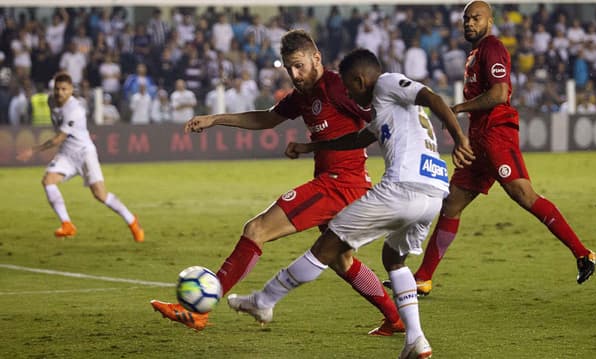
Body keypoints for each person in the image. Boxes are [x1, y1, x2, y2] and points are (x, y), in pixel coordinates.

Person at [150, 30, 403, 336]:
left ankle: (197, 310)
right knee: (342, 260)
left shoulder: (337, 86)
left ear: (316, 58)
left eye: (299, 66)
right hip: (343, 186)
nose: (295, 75)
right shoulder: (303, 96)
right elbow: (266, 119)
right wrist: (215, 119)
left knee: (256, 230)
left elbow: (378, 115)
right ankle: (395, 319)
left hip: (340, 185)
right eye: (288, 68)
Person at [228, 48, 473, 359]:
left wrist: (460, 139)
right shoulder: (388, 109)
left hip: (402, 188)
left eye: (349, 86)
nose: (348, 94)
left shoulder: (386, 83)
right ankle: (416, 339)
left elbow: (434, 98)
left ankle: (265, 300)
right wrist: (309, 146)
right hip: (433, 193)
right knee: (393, 259)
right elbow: (356, 139)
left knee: (327, 248)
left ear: (361, 79)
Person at [408, 0, 596, 297]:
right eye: (466, 19)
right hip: (479, 139)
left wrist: (458, 107)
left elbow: (499, 94)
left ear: (490, 22)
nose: (469, 23)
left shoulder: (493, 48)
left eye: (476, 18)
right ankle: (423, 278)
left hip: (497, 136)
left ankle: (583, 253)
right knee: (452, 205)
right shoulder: (475, 52)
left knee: (523, 194)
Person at [16, 72, 144, 243]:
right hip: (67, 154)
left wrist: (33, 150)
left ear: (71, 91)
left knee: (100, 195)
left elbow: (59, 138)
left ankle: (132, 222)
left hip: (84, 154)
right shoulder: (50, 101)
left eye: (64, 89)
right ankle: (67, 224)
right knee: (48, 181)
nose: (59, 92)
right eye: (57, 89)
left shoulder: (75, 110)